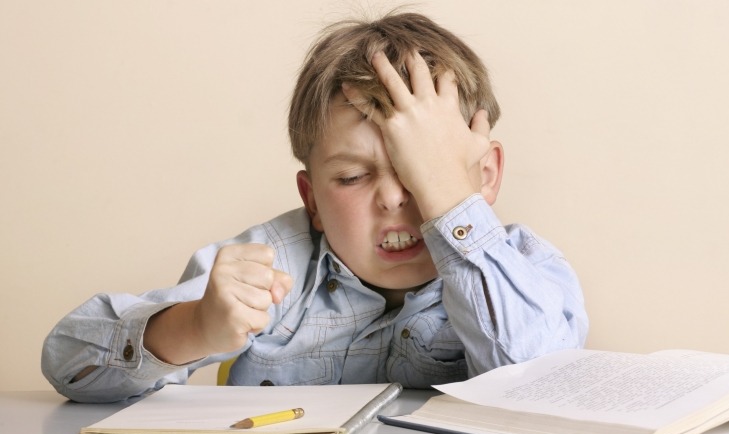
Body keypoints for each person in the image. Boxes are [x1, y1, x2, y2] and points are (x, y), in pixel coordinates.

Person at [42, 11, 588, 403]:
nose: (396, 196)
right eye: (352, 176)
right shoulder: (273, 264)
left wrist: (451, 202)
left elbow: (544, 394)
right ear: (313, 202)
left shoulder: (530, 272)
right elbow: (67, 362)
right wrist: (193, 328)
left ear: (484, 176)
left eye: (423, 172)